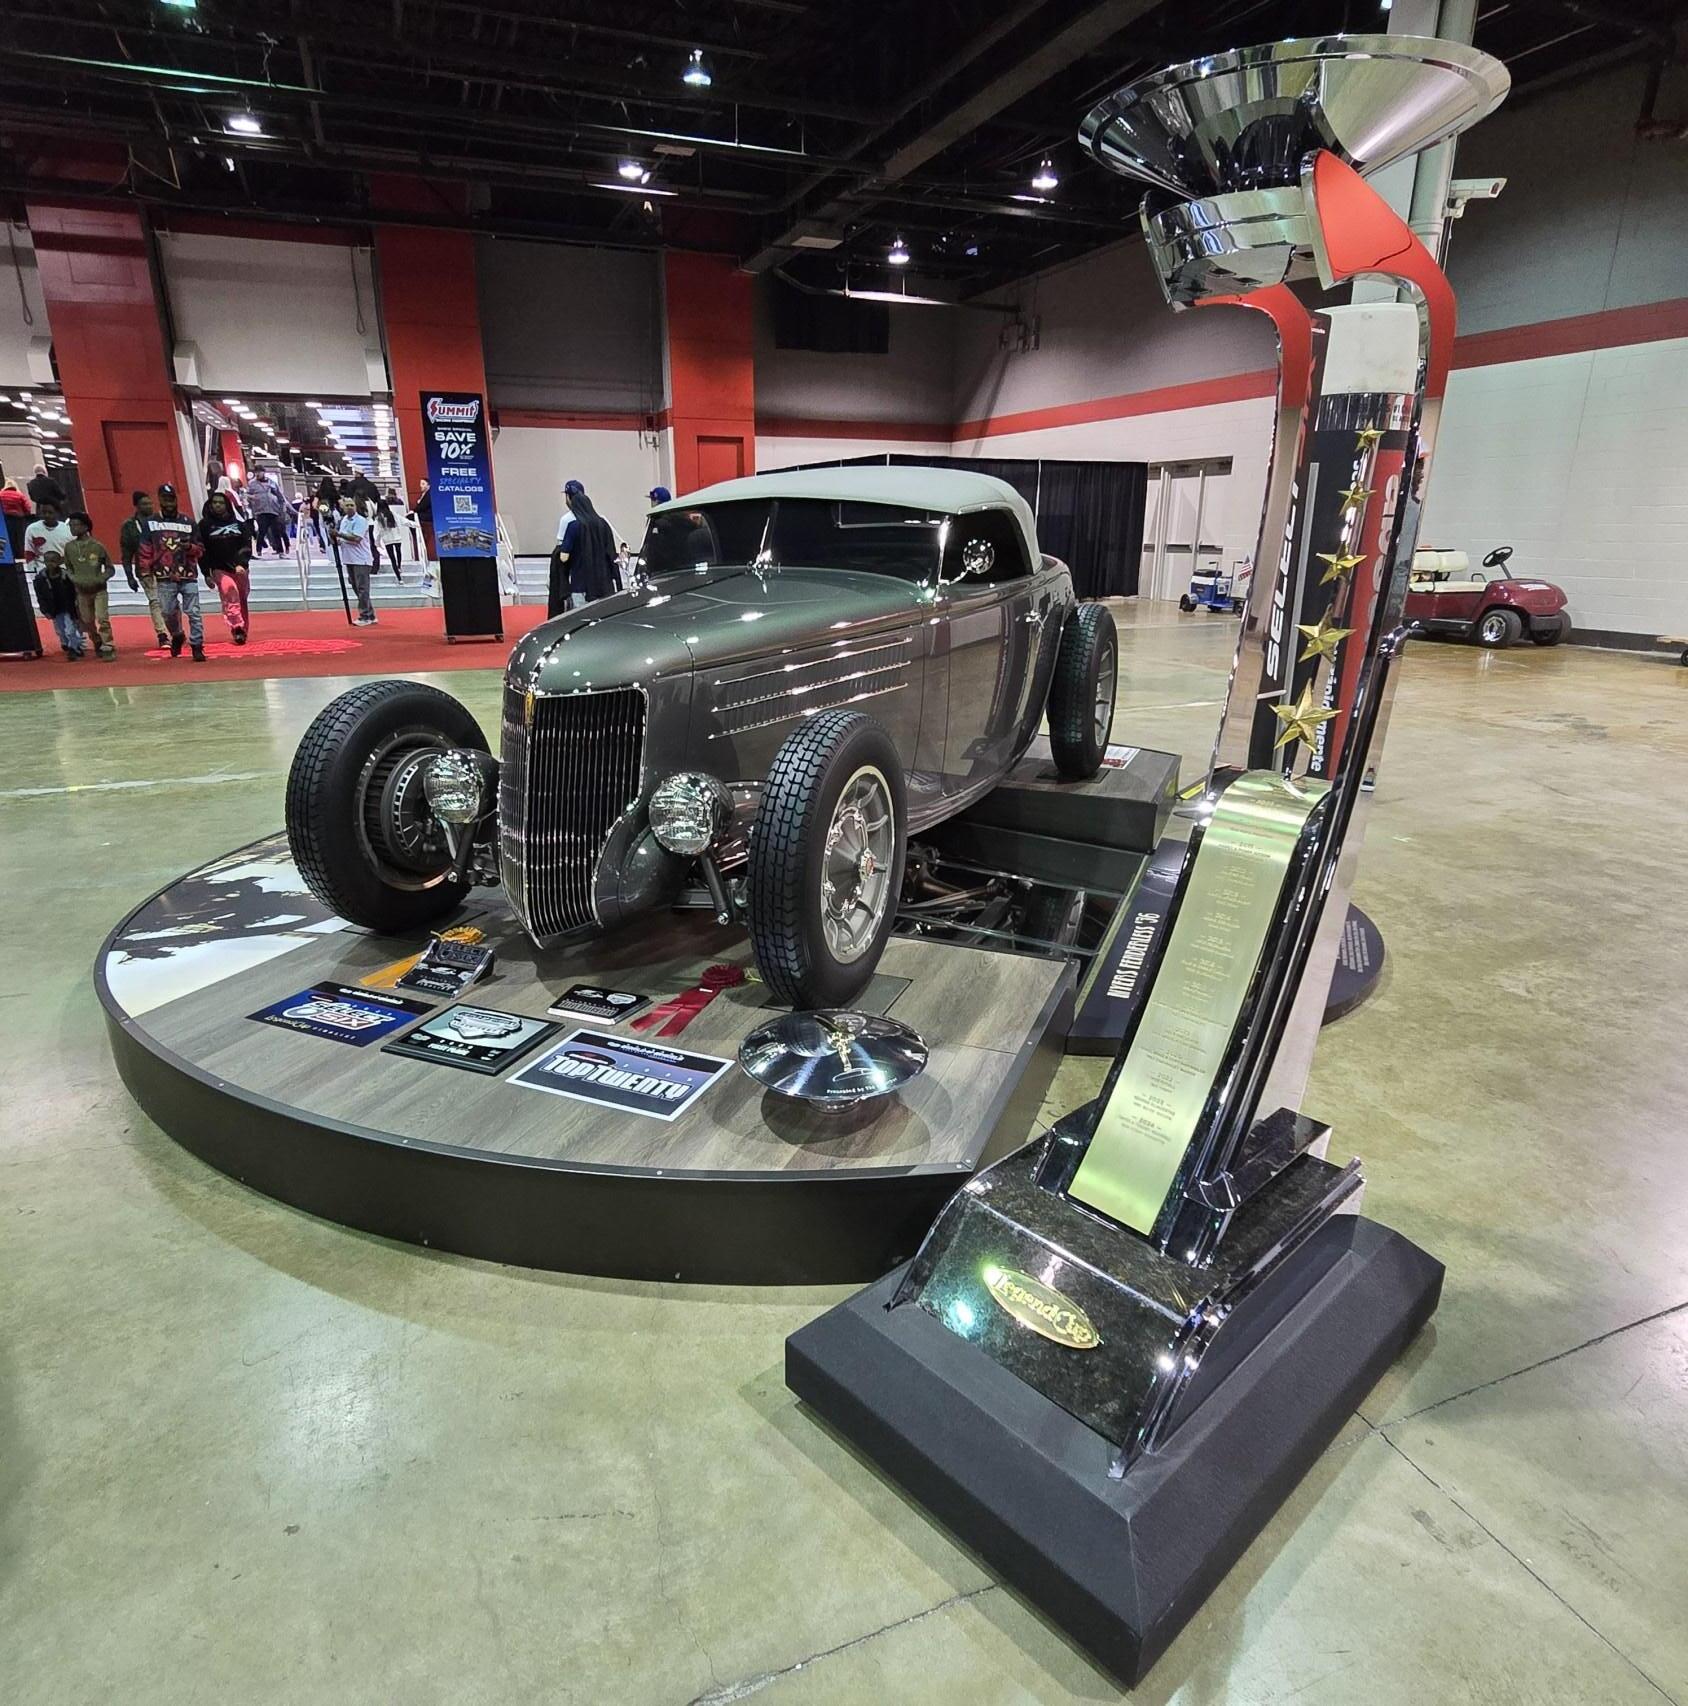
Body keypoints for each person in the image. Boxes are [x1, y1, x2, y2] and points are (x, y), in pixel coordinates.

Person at [137, 483, 206, 661]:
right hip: (164, 576)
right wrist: (145, 570)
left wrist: (189, 547)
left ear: (176, 499)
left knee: (194, 612)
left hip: (188, 574)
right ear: (159, 500)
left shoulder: (189, 523)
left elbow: (200, 549)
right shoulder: (150, 523)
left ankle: (197, 645)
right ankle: (177, 634)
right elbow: (145, 548)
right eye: (165, 499)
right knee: (167, 612)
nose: (168, 503)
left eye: (171, 499)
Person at [549, 479, 619, 617]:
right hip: (604, 584)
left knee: (582, 618)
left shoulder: (571, 524)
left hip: (580, 583)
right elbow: (611, 553)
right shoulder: (603, 523)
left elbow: (563, 556)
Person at [197, 491, 254, 644]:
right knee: (230, 592)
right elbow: (202, 551)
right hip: (219, 568)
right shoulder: (204, 526)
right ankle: (237, 627)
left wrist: (241, 563)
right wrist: (206, 573)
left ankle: (243, 628)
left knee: (241, 598)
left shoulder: (239, 525)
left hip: (240, 568)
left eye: (221, 503)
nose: (217, 505)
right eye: (214, 502)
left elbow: (246, 545)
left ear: (227, 505)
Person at [61, 511, 117, 660]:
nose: (73, 528)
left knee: (102, 618)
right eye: (70, 525)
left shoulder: (97, 546)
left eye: (76, 525)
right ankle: (97, 640)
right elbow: (68, 568)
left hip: (99, 590)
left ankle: (108, 645)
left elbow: (110, 568)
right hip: (81, 591)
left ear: (86, 527)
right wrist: (74, 578)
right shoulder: (69, 548)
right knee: (87, 621)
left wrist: (101, 578)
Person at [118, 490, 170, 649]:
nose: (149, 506)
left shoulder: (160, 521)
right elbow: (126, 553)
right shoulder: (129, 526)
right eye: (144, 504)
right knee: (155, 601)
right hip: (144, 569)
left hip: (166, 567)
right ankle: (162, 634)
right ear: (137, 506)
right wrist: (129, 576)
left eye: (150, 503)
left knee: (169, 602)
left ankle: (175, 631)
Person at [31, 547, 83, 660]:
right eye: (48, 561)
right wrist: (44, 610)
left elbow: (75, 591)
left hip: (69, 607)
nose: (51, 564)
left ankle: (74, 648)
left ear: (60, 562)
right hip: (54, 608)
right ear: (44, 562)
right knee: (60, 630)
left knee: (70, 629)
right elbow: (40, 597)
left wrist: (77, 605)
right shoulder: (40, 579)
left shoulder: (67, 576)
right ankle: (67, 644)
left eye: (54, 561)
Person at [334, 495, 377, 625]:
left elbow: (357, 538)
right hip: (349, 559)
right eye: (347, 505)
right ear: (343, 507)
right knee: (356, 587)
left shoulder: (361, 521)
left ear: (356, 507)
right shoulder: (343, 521)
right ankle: (369, 614)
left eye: (352, 505)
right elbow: (341, 539)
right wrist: (336, 538)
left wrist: (339, 534)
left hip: (361, 559)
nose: (349, 507)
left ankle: (365, 615)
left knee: (362, 588)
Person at [23, 498, 71, 574]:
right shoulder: (32, 529)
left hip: (64, 571)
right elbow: (29, 553)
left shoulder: (68, 529)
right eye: (43, 512)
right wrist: (33, 573)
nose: (46, 515)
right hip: (41, 571)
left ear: (57, 513)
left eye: (50, 512)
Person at [246, 468, 288, 557]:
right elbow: (247, 495)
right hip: (260, 511)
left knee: (276, 531)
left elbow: (280, 495)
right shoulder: (252, 484)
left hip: (273, 510)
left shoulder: (272, 483)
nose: (257, 474)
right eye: (256, 472)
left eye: (259, 472)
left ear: (263, 472)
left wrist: (282, 508)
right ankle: (258, 550)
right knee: (262, 531)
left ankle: (280, 551)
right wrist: (252, 498)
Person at [375, 490, 406, 581]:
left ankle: (399, 579)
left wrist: (377, 542)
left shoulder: (378, 518)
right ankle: (399, 566)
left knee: (392, 559)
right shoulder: (392, 514)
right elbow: (402, 522)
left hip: (387, 540)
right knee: (398, 552)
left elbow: (379, 531)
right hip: (397, 538)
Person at [413, 477, 435, 560]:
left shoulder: (429, 494)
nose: (420, 486)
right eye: (420, 484)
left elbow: (422, 506)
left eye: (423, 484)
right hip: (424, 515)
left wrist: (413, 511)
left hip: (428, 516)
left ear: (428, 485)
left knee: (411, 517)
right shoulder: (424, 494)